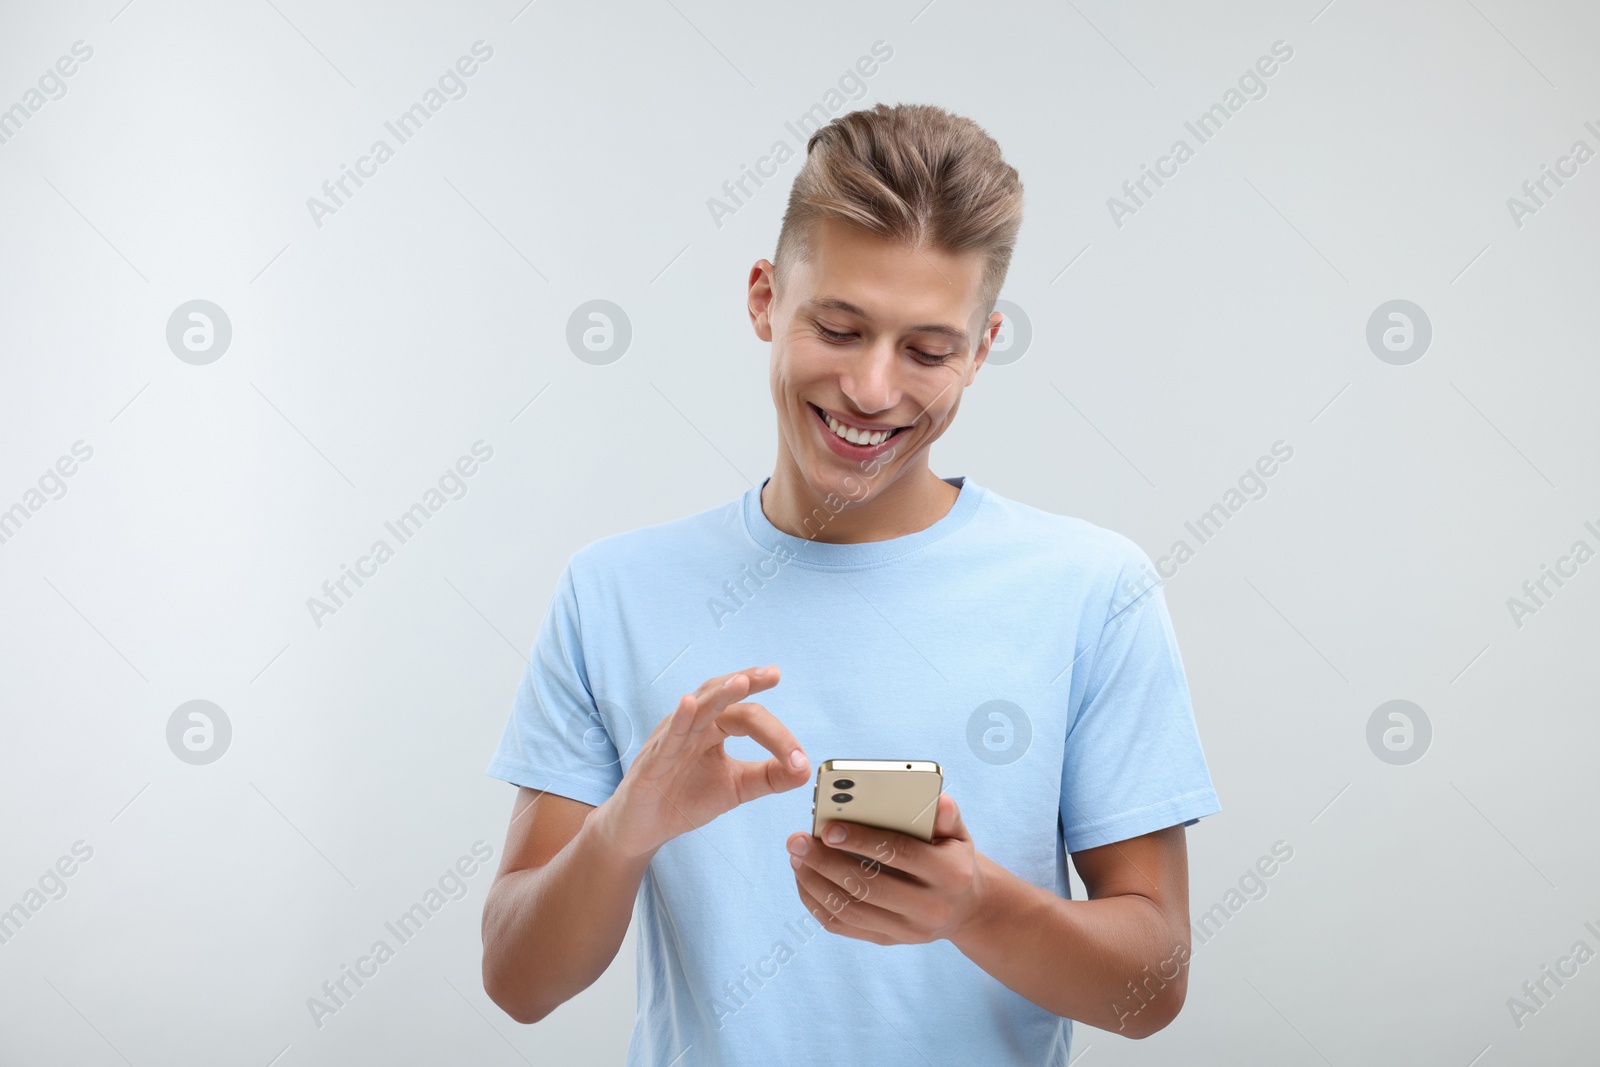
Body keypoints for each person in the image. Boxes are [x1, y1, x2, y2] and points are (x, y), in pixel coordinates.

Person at [480, 101, 1220, 1064]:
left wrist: (975, 904)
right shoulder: (612, 591)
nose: (874, 390)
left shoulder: (1095, 589)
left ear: (984, 347)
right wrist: (626, 828)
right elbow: (518, 980)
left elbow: (1153, 988)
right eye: (839, 326)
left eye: (928, 350)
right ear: (763, 299)